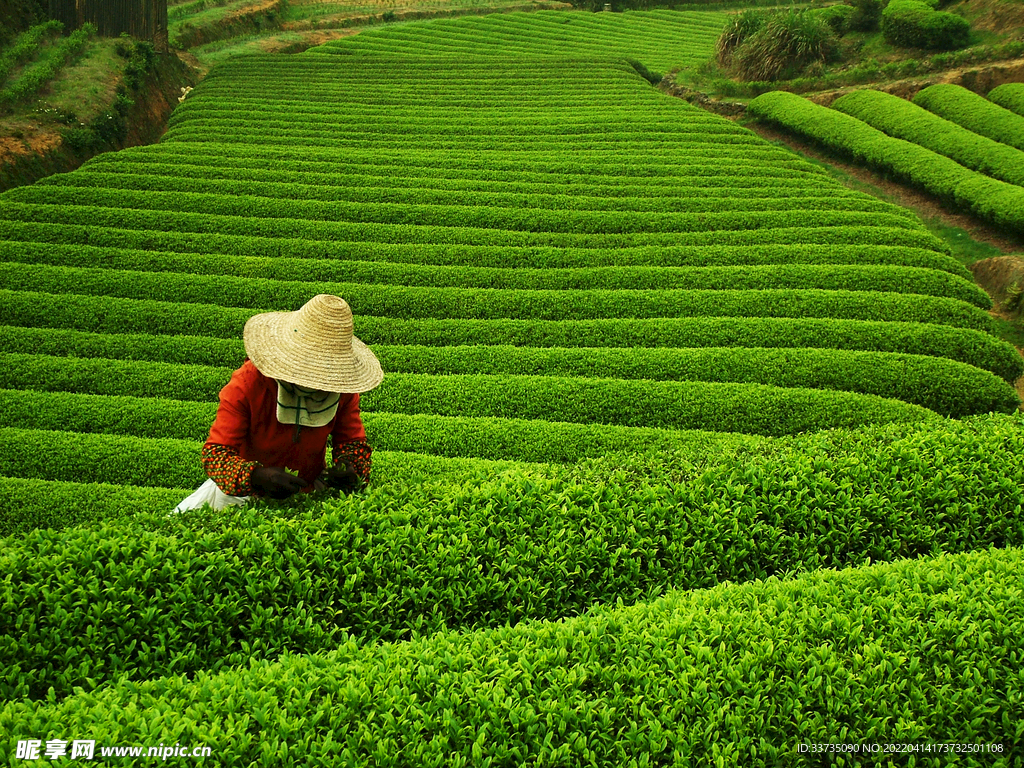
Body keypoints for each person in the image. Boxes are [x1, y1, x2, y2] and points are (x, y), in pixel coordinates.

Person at [174, 294, 384, 512]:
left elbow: (352, 442)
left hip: (307, 492)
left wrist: (350, 468)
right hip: (243, 495)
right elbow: (216, 454)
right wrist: (256, 476)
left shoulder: (341, 389)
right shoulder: (248, 384)